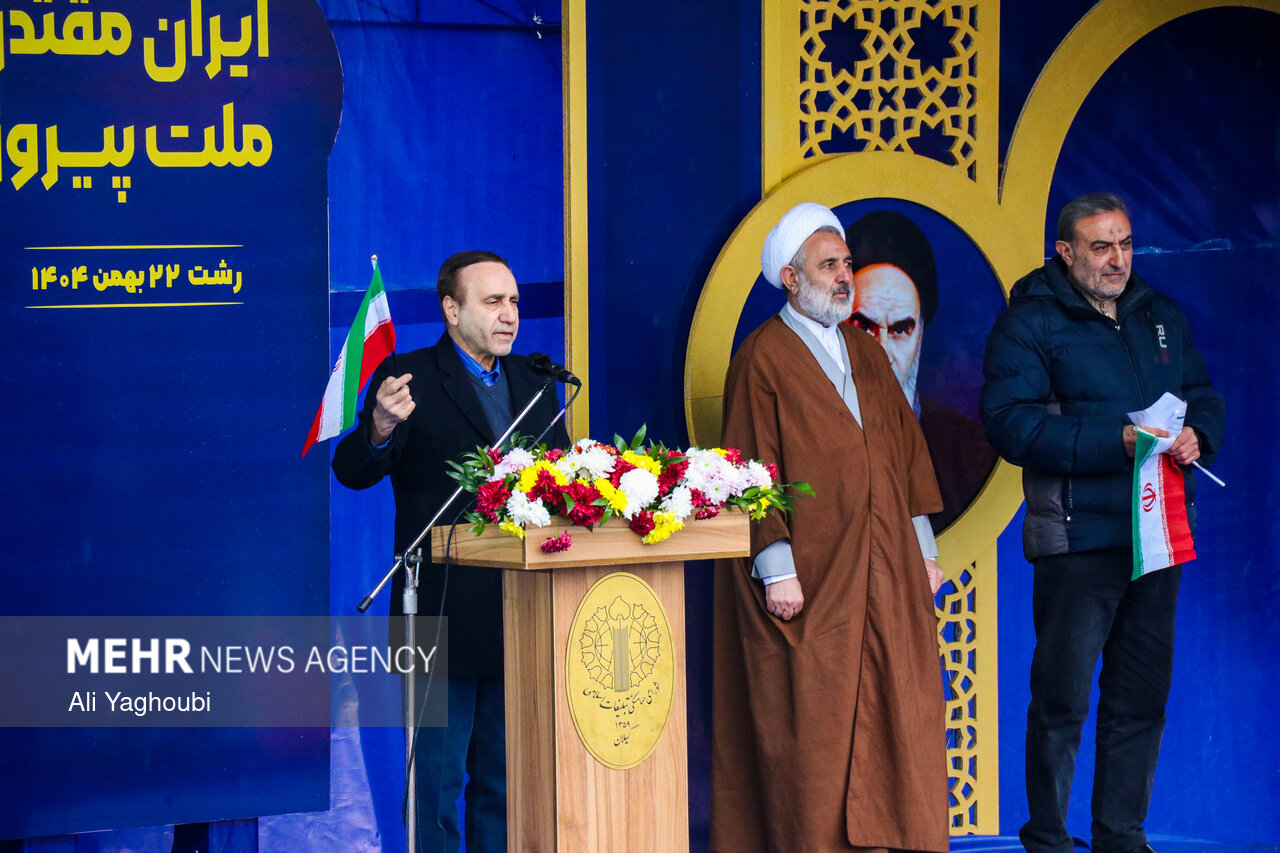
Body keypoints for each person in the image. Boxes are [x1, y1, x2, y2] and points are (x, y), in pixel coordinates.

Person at [980, 193, 1225, 853]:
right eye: (1100, 246)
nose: (1118, 259)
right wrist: (1114, 440)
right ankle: (1049, 840)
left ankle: (1122, 838)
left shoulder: (1159, 314)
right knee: (1060, 702)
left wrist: (1200, 433)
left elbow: (1203, 395)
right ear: (1066, 252)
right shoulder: (1028, 322)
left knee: (1141, 699)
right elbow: (1011, 425)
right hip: (1077, 539)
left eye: (1125, 244)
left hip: (1158, 537)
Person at [710, 202, 949, 853]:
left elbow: (906, 459)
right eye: (828, 266)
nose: (845, 277)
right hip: (812, 579)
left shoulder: (865, 352)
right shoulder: (762, 357)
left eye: (846, 263)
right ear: (790, 279)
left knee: (898, 717)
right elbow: (750, 469)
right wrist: (777, 570)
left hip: (886, 572)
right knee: (816, 735)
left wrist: (924, 553)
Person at [332, 250, 570, 853]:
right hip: (437, 613)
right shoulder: (408, 377)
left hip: (519, 612)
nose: (510, 314)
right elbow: (352, 469)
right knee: (435, 790)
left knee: (504, 784)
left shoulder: (536, 381)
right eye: (493, 302)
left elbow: (563, 483)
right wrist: (379, 427)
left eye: (514, 302)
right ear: (451, 310)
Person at [845, 210, 998, 532]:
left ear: (922, 333)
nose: (881, 354)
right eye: (864, 327)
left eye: (900, 330)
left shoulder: (965, 452)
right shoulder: (799, 426)